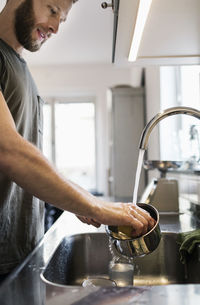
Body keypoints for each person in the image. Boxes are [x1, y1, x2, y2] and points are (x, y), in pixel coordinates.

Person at [0, 0, 155, 279]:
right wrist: (96, 206)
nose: (56, 27)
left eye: (62, 18)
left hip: (20, 255)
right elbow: (8, 150)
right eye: (52, 9)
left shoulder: (19, 66)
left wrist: (80, 197)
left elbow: (28, 155)